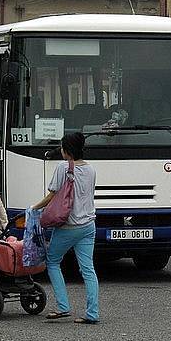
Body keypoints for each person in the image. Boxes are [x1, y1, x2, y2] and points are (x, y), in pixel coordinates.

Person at [33, 133, 99, 325]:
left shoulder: (63, 168)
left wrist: (34, 208)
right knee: (88, 269)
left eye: (62, 147)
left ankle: (63, 306)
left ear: (67, 150)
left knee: (53, 261)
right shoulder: (91, 169)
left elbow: (51, 196)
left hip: (69, 226)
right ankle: (92, 313)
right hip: (88, 225)